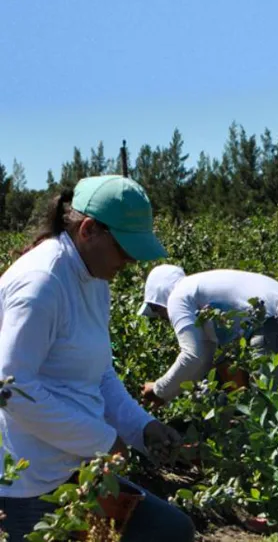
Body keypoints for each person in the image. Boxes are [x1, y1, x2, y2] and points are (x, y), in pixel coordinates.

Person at [0, 175, 195, 542]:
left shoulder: (95, 280)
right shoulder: (41, 283)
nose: (131, 260)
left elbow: (100, 374)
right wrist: (102, 440)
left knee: (171, 529)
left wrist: (142, 427)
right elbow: (11, 389)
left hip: (79, 469)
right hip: (28, 483)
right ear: (89, 230)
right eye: (124, 248)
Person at [137, 265, 278, 405]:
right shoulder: (197, 288)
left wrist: (158, 389)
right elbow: (204, 359)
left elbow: (192, 356)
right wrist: (166, 394)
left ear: (160, 296)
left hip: (271, 323)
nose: (160, 316)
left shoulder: (177, 295)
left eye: (154, 308)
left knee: (269, 405)